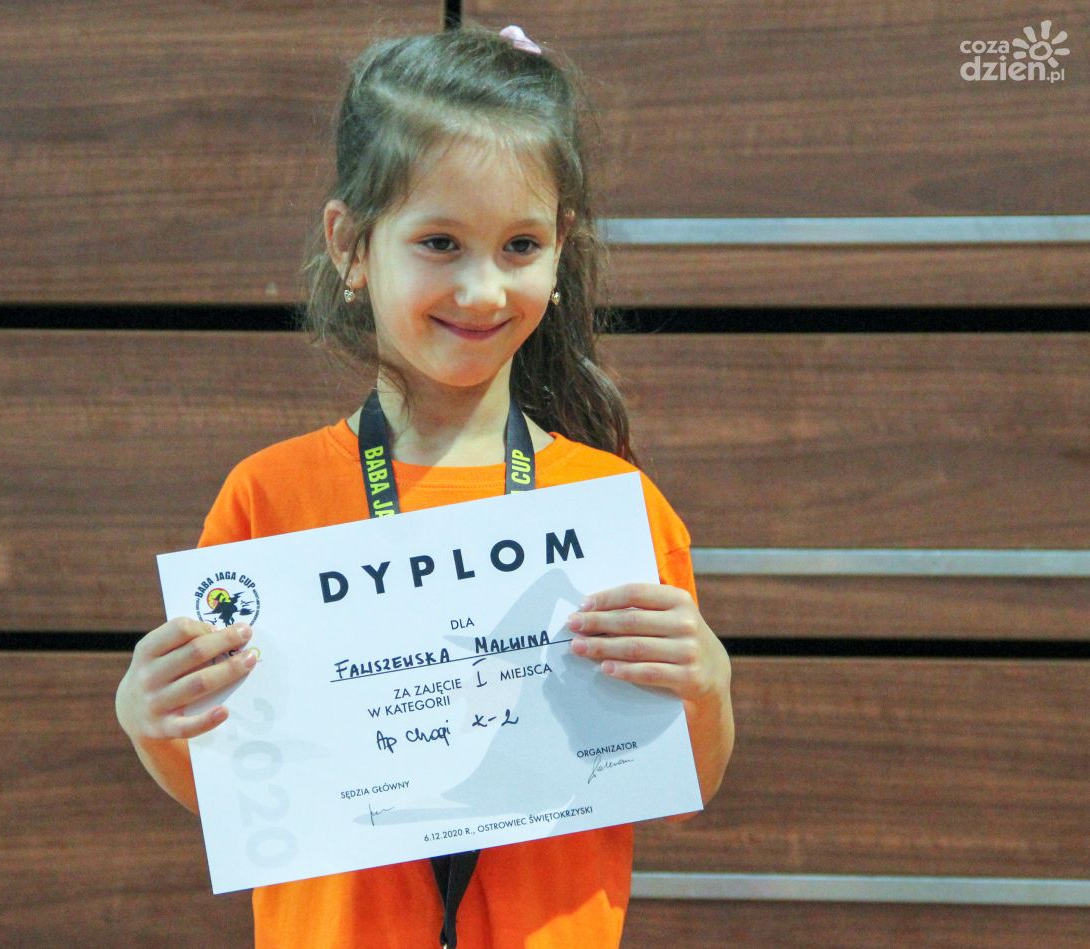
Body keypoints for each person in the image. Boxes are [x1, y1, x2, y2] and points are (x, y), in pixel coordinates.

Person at [116, 23, 733, 949]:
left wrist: (709, 683)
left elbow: (681, 785)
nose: (482, 290)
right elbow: (243, 788)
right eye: (440, 242)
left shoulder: (613, 506)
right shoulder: (270, 499)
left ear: (561, 249)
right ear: (351, 245)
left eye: (520, 245)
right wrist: (147, 717)